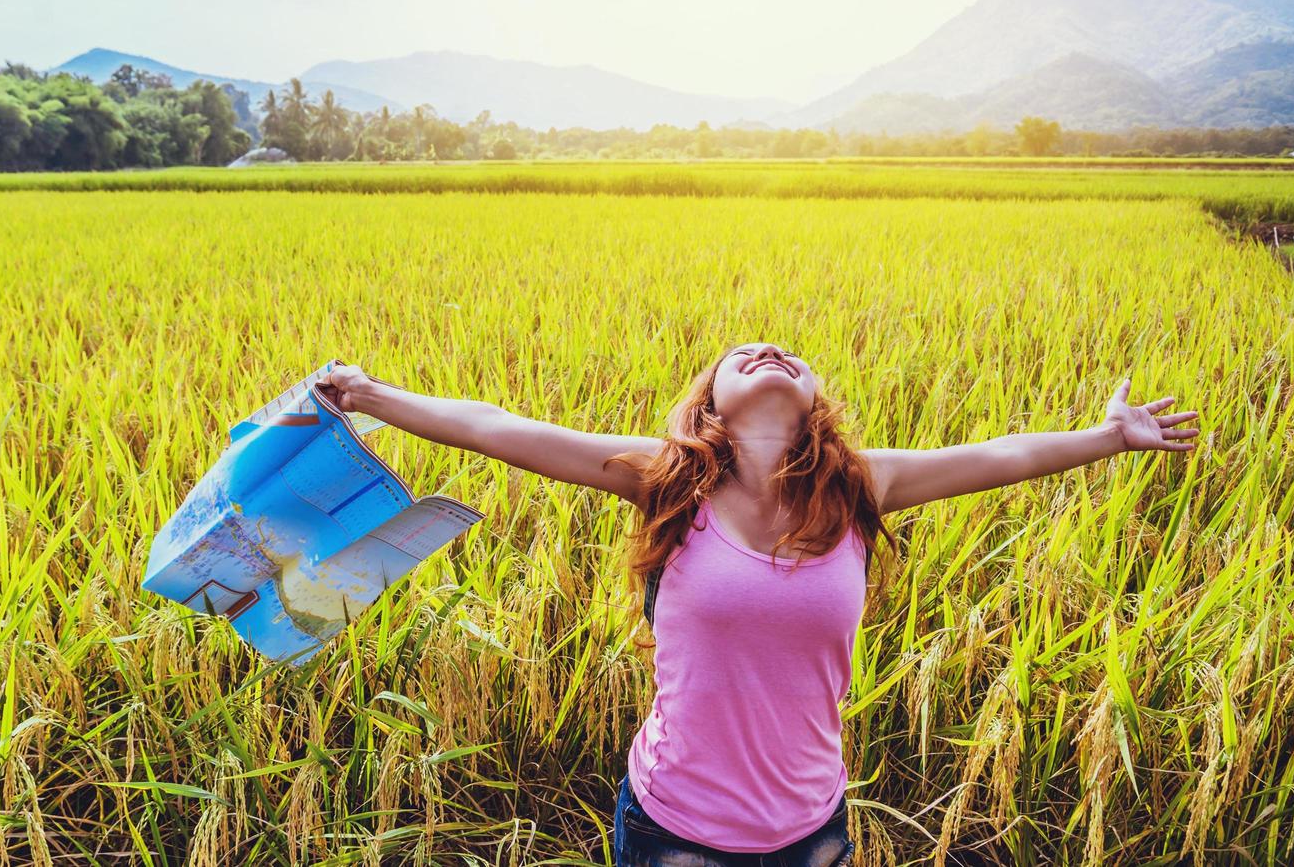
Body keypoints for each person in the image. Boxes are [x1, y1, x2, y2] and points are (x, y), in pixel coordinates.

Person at [316, 345, 1198, 866]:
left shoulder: (861, 487)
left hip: (812, 829)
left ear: (814, 399)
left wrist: (1111, 436)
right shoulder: (669, 482)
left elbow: (1002, 455)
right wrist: (372, 396)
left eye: (788, 354)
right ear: (709, 404)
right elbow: (498, 428)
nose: (771, 352)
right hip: (675, 829)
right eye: (744, 354)